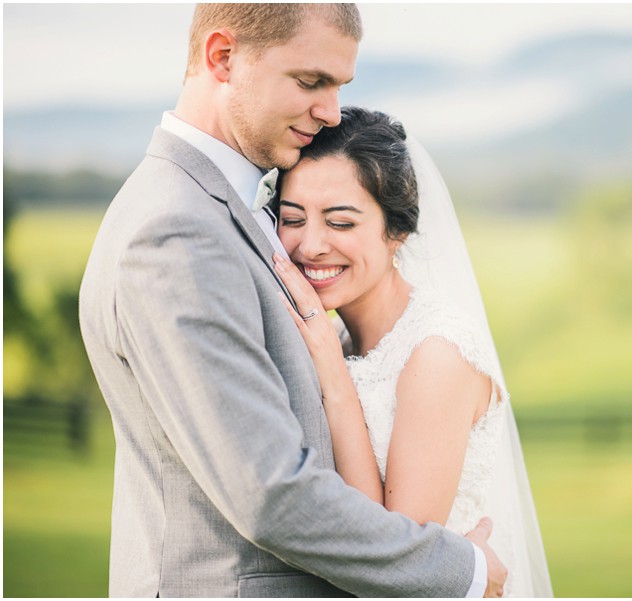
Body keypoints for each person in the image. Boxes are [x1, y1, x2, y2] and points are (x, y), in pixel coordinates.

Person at [78, 4, 507, 597]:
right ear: (222, 57)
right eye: (311, 82)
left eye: (338, 86)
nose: (330, 111)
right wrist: (464, 570)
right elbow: (269, 492)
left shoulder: (209, 206)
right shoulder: (177, 230)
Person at [269, 106, 553, 597]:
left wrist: (334, 379)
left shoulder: (436, 354)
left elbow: (397, 564)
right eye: (292, 219)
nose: (310, 245)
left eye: (340, 223)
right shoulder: (335, 339)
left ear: (396, 232)